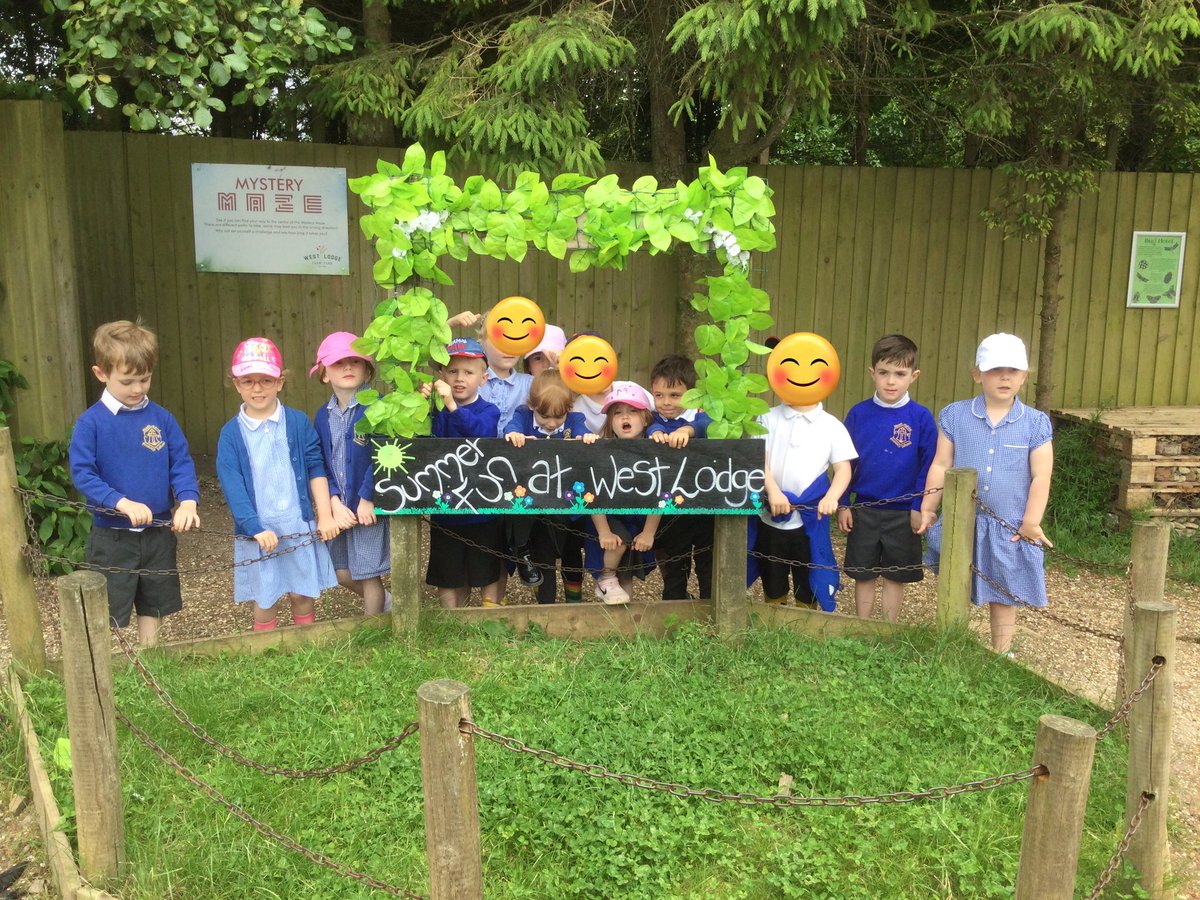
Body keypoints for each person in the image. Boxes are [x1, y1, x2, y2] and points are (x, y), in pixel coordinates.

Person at [918, 333, 1054, 654]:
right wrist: (928, 506)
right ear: (977, 374)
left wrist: (1031, 521)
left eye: (1012, 370)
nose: (1004, 377)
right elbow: (941, 464)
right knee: (955, 583)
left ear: (1024, 375)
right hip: (963, 520)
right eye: (995, 370)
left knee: (1003, 592)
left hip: (1008, 524)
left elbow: (1041, 475)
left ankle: (1001, 652)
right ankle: (951, 643)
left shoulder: (1035, 423)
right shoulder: (955, 415)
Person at [69, 320, 201, 646]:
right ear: (101, 373)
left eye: (145, 379)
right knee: (107, 607)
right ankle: (106, 665)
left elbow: (181, 463)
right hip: (112, 536)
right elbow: (83, 473)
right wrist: (121, 502)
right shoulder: (90, 423)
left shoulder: (162, 418)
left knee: (154, 601)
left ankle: (150, 660)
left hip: (158, 532)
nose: (138, 388)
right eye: (127, 381)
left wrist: (188, 501)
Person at [216, 337, 340, 631]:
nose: (257, 388)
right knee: (265, 597)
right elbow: (233, 486)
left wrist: (324, 515)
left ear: (280, 382)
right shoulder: (231, 434)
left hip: (297, 523)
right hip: (260, 530)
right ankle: (265, 647)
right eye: (248, 381)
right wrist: (253, 527)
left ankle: (306, 643)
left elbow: (315, 468)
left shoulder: (297, 422)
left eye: (266, 380)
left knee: (302, 593)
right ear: (236, 384)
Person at [837, 334, 937, 623]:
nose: (891, 381)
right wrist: (843, 503)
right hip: (864, 508)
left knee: (895, 575)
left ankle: (888, 628)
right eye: (884, 372)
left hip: (904, 512)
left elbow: (928, 466)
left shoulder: (920, 418)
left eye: (900, 374)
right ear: (873, 373)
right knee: (863, 572)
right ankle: (863, 625)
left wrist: (919, 506)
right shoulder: (858, 414)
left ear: (914, 376)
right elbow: (845, 463)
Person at [757, 376, 857, 610]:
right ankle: (773, 620)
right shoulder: (766, 417)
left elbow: (843, 469)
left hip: (810, 520)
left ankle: (806, 623)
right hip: (771, 516)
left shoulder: (831, 425)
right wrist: (773, 491)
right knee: (772, 576)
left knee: (808, 577)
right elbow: (759, 460)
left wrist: (832, 497)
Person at [311, 331, 391, 616]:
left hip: (368, 507)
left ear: (367, 370)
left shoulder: (378, 407)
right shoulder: (323, 415)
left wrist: (367, 498)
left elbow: (385, 454)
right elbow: (321, 462)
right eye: (338, 363)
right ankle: (389, 605)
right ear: (324, 374)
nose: (347, 367)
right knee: (341, 572)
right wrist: (333, 503)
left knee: (369, 574)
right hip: (341, 510)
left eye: (355, 361)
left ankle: (372, 628)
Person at [421, 337, 505, 608]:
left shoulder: (489, 411)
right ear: (442, 375)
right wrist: (419, 405)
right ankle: (450, 620)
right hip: (445, 509)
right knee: (447, 571)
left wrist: (452, 406)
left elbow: (481, 433)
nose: (459, 378)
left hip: (483, 509)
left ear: (484, 378)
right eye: (452, 371)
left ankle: (490, 616)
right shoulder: (435, 410)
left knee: (487, 568)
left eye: (468, 372)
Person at [504, 369, 590, 603]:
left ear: (568, 409)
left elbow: (582, 432)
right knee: (544, 556)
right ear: (532, 406)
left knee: (572, 554)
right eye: (544, 417)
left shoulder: (575, 419)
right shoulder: (523, 415)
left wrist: (586, 437)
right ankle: (545, 607)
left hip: (568, 505)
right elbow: (511, 428)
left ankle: (574, 602)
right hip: (537, 506)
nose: (552, 423)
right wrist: (515, 434)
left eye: (558, 417)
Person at [581, 381, 660, 604]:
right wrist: (604, 531)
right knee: (619, 543)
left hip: (637, 519)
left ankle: (625, 619)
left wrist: (649, 532)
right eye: (617, 413)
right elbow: (592, 493)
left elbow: (660, 494)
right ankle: (605, 578)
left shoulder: (655, 451)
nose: (625, 417)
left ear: (646, 418)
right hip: (606, 518)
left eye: (633, 411)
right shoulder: (601, 451)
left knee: (626, 573)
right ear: (610, 421)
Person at [646, 354, 714, 600]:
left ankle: (710, 606)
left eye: (675, 395)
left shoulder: (700, 416)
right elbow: (649, 424)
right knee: (675, 562)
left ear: (692, 395)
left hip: (705, 505)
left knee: (708, 562)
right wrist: (656, 431)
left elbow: (706, 425)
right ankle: (673, 608)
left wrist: (687, 429)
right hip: (672, 508)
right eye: (659, 395)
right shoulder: (654, 418)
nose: (666, 402)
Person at [476, 305, 533, 435]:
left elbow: (560, 399)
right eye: (500, 341)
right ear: (481, 341)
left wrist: (558, 366)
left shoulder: (530, 383)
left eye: (515, 340)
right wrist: (450, 324)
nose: (508, 348)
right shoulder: (472, 381)